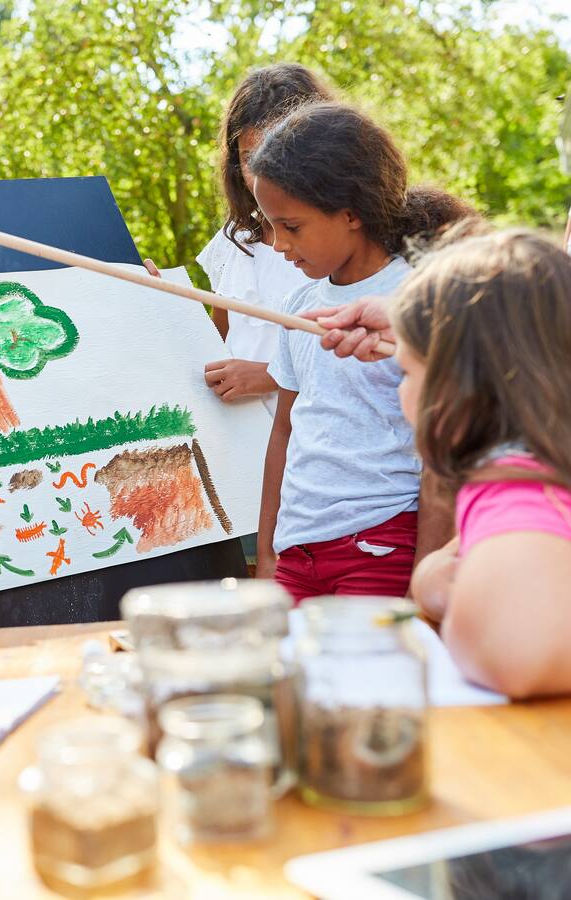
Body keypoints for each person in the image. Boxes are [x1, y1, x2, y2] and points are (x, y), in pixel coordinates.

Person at [247, 101, 474, 602]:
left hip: (381, 544)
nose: (278, 244)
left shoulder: (420, 298)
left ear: (350, 213)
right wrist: (268, 554)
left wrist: (425, 576)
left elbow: (443, 456)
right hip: (297, 552)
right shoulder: (299, 304)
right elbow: (284, 431)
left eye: (292, 227)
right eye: (271, 225)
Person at [328, 230, 571, 699]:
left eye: (408, 372)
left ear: (460, 388)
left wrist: (456, 603)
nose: (401, 390)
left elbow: (519, 655)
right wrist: (438, 579)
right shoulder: (536, 477)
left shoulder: (518, 493)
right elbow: (449, 570)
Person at [193, 63, 332, 415]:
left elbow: (345, 355)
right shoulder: (235, 238)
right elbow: (219, 334)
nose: (262, 175)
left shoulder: (336, 246)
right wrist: (163, 302)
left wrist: (270, 376)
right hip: (239, 430)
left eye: (277, 156)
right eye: (250, 159)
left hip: (306, 432)